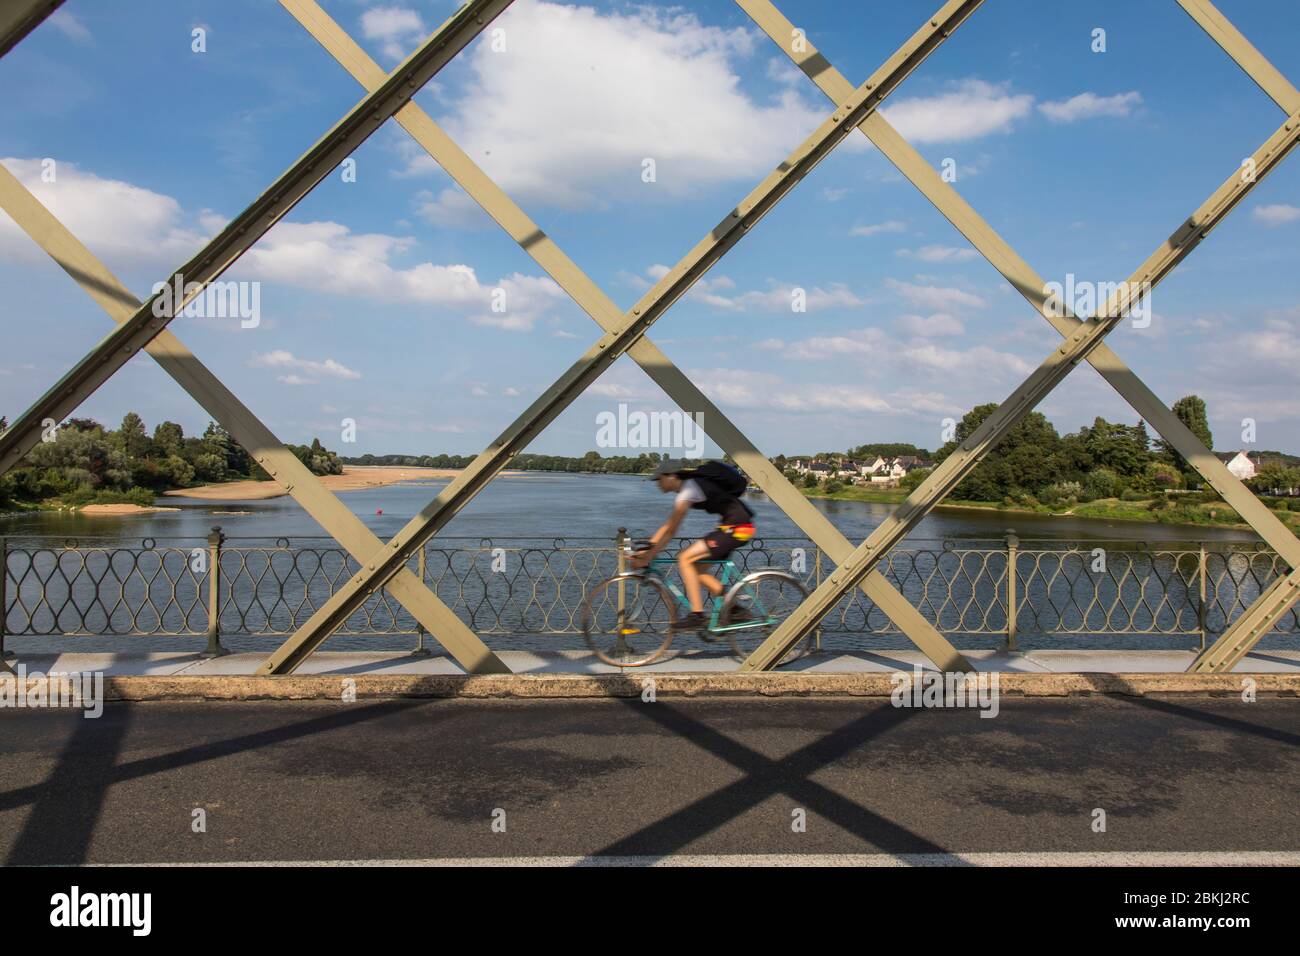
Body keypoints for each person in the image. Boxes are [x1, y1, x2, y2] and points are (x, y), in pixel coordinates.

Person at [632, 459, 756, 631]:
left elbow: (671, 531)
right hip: (733, 527)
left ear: (672, 476)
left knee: (684, 558)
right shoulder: (687, 489)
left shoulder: (688, 490)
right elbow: (669, 525)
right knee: (697, 569)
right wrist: (650, 546)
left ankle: (697, 615)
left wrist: (648, 557)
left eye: (659, 478)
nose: (657, 483)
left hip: (738, 528)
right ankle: (735, 610)